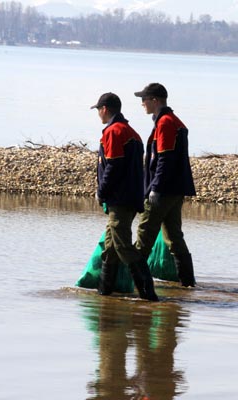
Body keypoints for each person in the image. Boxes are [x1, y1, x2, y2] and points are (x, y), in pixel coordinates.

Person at [91, 92, 159, 301]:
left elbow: (113, 166)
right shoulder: (131, 132)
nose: (98, 115)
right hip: (129, 197)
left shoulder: (114, 131)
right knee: (111, 248)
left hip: (119, 200)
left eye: (98, 110)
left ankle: (149, 295)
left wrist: (101, 192)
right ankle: (105, 294)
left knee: (122, 246)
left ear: (104, 109)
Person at [133, 83, 197, 287]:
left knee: (144, 237)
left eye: (145, 99)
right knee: (174, 238)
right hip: (175, 190)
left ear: (155, 100)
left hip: (164, 191)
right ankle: (188, 285)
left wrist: (155, 188)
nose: (142, 103)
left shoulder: (166, 123)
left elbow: (165, 159)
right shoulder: (170, 121)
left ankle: (134, 285)